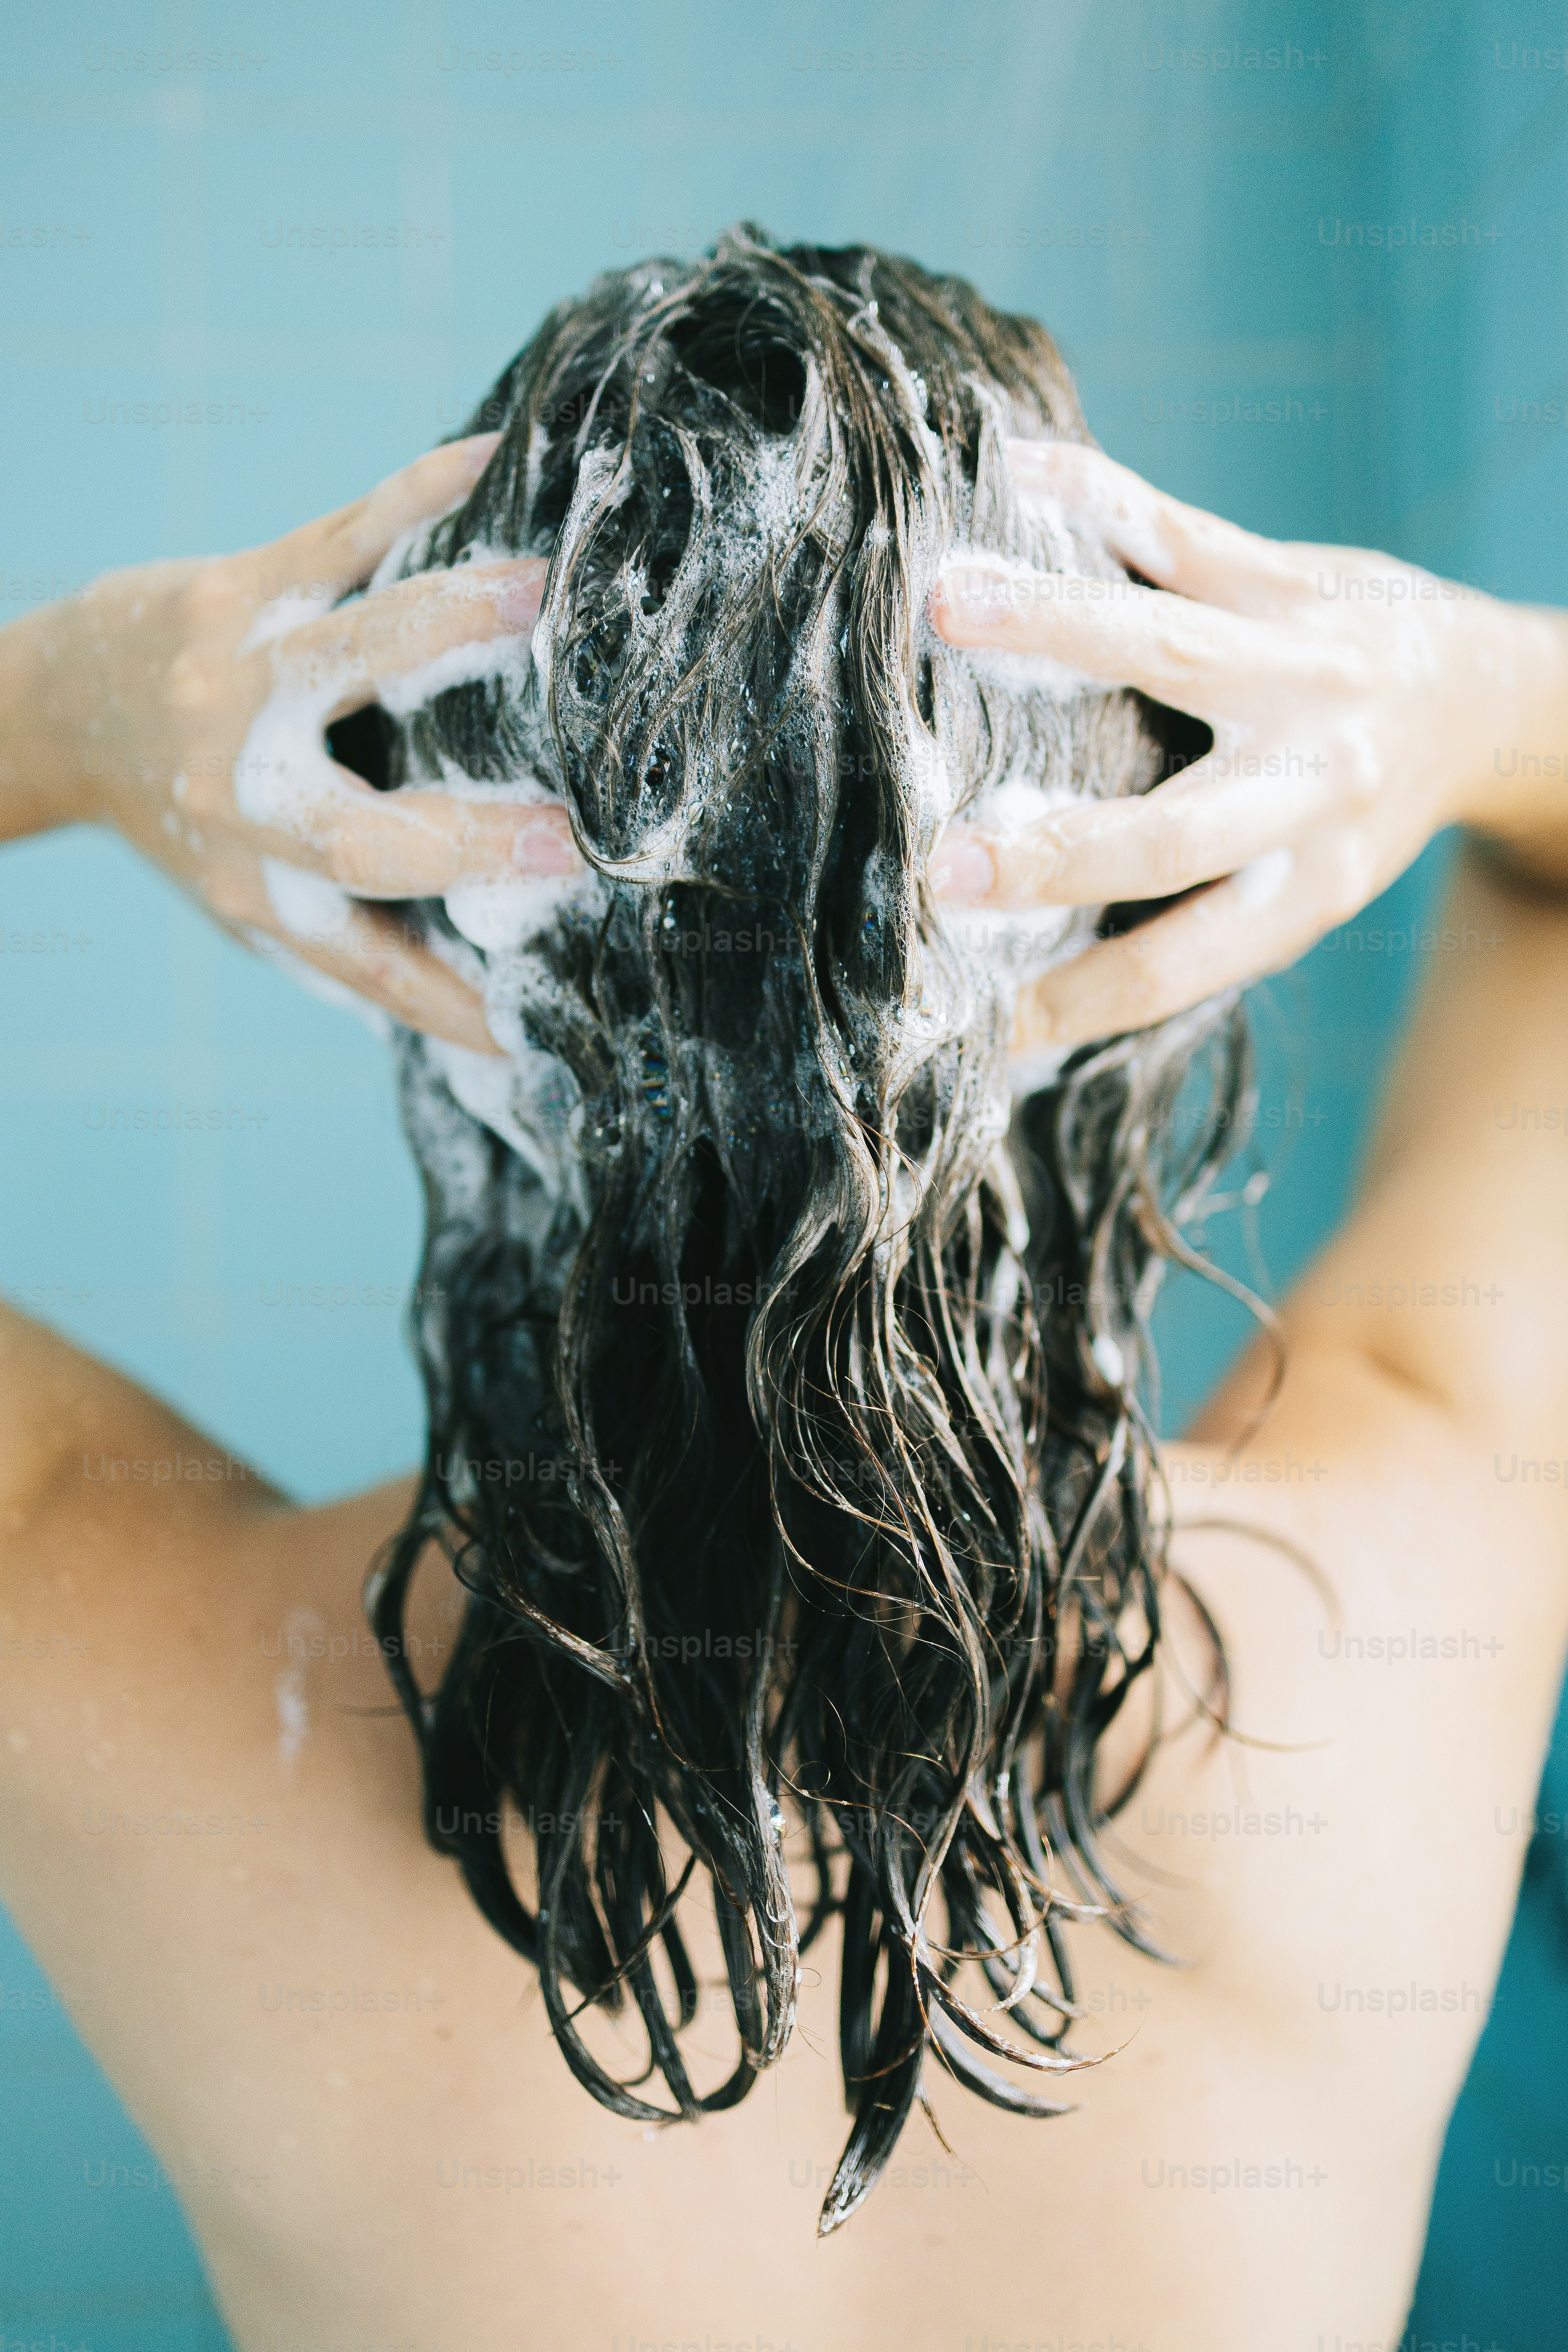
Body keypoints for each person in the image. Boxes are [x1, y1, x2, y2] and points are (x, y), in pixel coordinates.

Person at [1, 229, 1566, 2352]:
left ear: (438, 949)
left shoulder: (141, 1691)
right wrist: (1465, 690)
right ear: (1145, 924)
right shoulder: (1382, 1645)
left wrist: (79, 707)